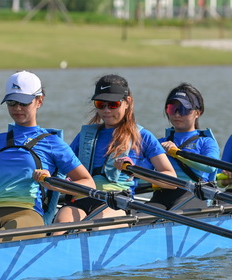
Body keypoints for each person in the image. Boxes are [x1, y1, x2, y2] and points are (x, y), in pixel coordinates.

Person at [0, 71, 94, 235]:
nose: (17, 108)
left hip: (28, 213)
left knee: (2, 242)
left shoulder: (53, 143)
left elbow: (88, 183)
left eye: (23, 102)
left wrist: (53, 185)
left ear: (39, 101)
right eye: (11, 102)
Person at [56, 73, 177, 221]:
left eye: (113, 104)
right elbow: (61, 169)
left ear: (127, 102)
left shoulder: (143, 137)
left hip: (117, 201)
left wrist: (135, 171)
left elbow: (172, 180)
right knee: (60, 225)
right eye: (101, 104)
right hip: (82, 197)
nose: (106, 110)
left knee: (97, 225)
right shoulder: (84, 136)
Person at [148, 83, 220, 210]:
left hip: (193, 193)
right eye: (172, 109)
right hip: (161, 194)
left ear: (198, 112)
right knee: (139, 217)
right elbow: (142, 168)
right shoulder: (159, 143)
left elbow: (210, 167)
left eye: (184, 109)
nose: (177, 115)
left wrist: (177, 153)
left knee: (172, 216)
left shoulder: (206, 142)